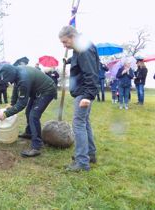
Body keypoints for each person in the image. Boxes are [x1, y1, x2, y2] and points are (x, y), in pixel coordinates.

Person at [59, 25, 99, 172]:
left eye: (65, 42)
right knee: (84, 122)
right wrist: (68, 60)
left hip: (84, 91)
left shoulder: (84, 49)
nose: (64, 45)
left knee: (78, 124)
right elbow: (80, 63)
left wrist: (88, 96)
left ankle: (82, 162)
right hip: (83, 90)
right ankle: (90, 154)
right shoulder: (80, 48)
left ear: (72, 37)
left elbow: (91, 73)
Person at [0, 64, 57, 157]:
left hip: (46, 90)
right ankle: (29, 133)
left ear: (11, 75)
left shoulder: (23, 79)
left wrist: (5, 114)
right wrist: (12, 103)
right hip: (37, 91)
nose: (8, 83)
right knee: (28, 112)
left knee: (34, 115)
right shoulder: (17, 73)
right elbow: (16, 88)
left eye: (8, 81)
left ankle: (36, 146)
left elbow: (22, 103)